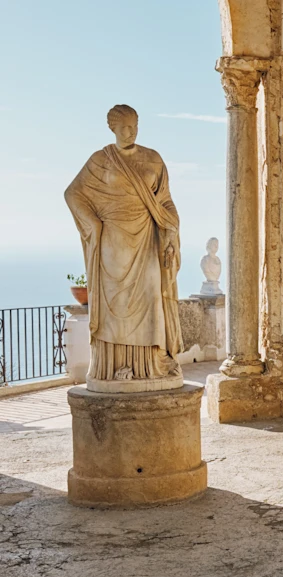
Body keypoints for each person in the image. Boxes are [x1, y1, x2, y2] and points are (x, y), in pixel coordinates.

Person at [64, 104, 183, 386]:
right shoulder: (100, 160)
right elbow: (72, 194)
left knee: (152, 299)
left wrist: (170, 228)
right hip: (112, 243)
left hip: (147, 239)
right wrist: (92, 223)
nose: (130, 133)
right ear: (112, 129)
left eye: (134, 127)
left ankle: (151, 365)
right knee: (114, 305)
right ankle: (113, 366)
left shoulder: (153, 159)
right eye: (124, 128)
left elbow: (164, 201)